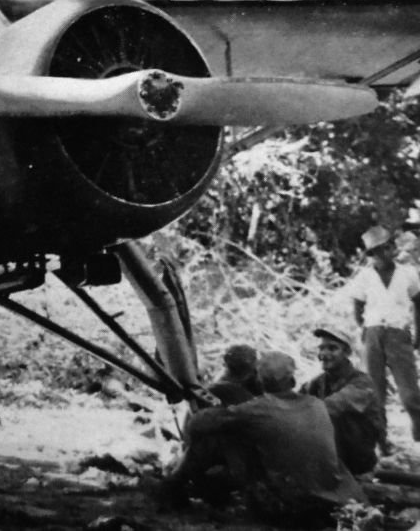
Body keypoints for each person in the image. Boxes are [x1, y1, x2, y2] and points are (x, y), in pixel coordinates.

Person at [160, 352, 364, 525]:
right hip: (331, 504)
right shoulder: (316, 405)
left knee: (221, 436)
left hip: (286, 508)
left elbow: (197, 425)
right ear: (293, 381)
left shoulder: (257, 409)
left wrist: (220, 413)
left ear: (259, 381)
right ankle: (203, 488)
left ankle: (172, 487)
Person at [347, 224, 420, 445]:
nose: (388, 252)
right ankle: (381, 441)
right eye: (381, 249)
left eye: (389, 246)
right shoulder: (365, 276)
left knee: (410, 393)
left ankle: (419, 435)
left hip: (398, 334)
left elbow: (418, 303)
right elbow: (358, 307)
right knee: (375, 393)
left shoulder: (407, 273)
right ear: (373, 254)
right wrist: (367, 329)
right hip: (373, 334)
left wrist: (418, 332)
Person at [300, 325, 384, 475]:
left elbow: (331, 407)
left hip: (357, 460)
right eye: (321, 348)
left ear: (347, 352)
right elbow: (295, 401)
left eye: (332, 348)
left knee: (327, 417)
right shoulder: (318, 382)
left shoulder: (362, 383)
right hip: (331, 456)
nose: (324, 354)